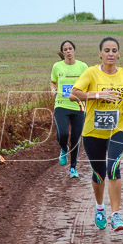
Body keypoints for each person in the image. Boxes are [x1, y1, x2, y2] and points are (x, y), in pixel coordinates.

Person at [69, 37, 123, 231]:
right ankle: (100, 207)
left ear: (119, 54)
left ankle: (116, 214)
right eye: (106, 50)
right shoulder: (91, 73)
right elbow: (73, 94)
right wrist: (98, 95)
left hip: (119, 127)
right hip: (93, 130)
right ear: (100, 53)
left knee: (114, 167)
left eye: (114, 50)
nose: (110, 54)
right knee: (98, 173)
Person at [50, 40, 89, 178]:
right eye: (65, 49)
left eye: (70, 48)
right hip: (61, 104)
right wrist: (53, 90)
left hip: (78, 107)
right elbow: (53, 81)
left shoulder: (83, 66)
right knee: (63, 134)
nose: (68, 51)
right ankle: (63, 148)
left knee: (76, 138)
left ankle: (73, 168)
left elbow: (89, 83)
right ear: (63, 52)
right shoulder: (57, 66)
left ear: (74, 50)